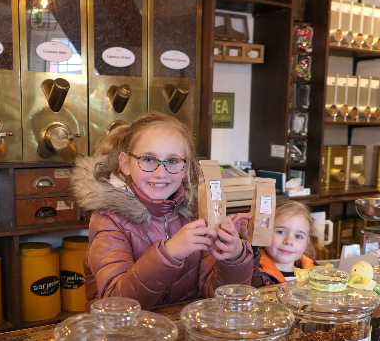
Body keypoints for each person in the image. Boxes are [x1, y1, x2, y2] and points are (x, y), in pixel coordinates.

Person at [72, 112, 254, 310]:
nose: (161, 173)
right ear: (126, 164)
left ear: (186, 168)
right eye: (149, 159)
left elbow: (220, 297)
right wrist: (169, 254)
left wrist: (233, 256)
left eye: (173, 161)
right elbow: (115, 305)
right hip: (125, 337)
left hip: (177, 333)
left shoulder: (193, 214)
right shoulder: (108, 219)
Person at [251, 200, 316, 286]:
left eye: (298, 236)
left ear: (307, 243)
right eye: (281, 232)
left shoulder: (315, 275)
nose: (289, 241)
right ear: (266, 233)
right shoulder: (252, 272)